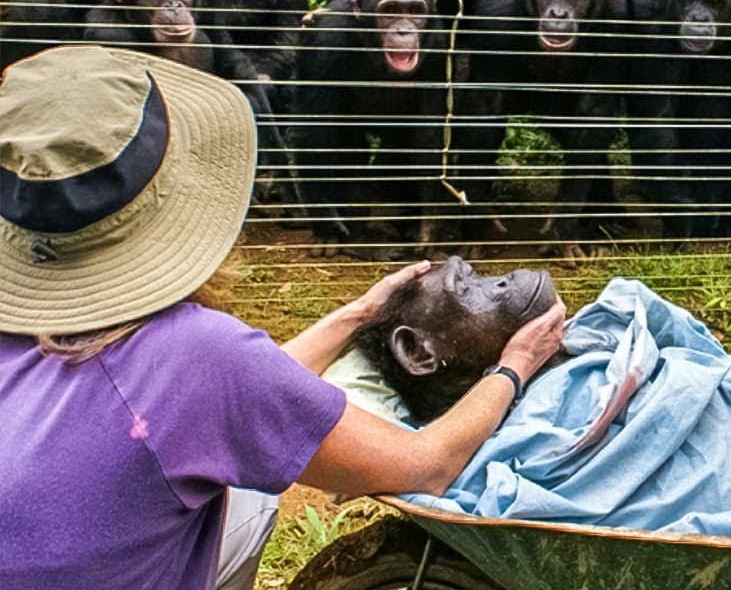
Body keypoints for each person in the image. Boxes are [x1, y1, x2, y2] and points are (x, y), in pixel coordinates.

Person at [0, 45, 566, 590]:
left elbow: (214, 402)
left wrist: (356, 315)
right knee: (255, 495)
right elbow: (426, 465)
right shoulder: (198, 352)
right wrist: (513, 365)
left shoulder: (185, 361)